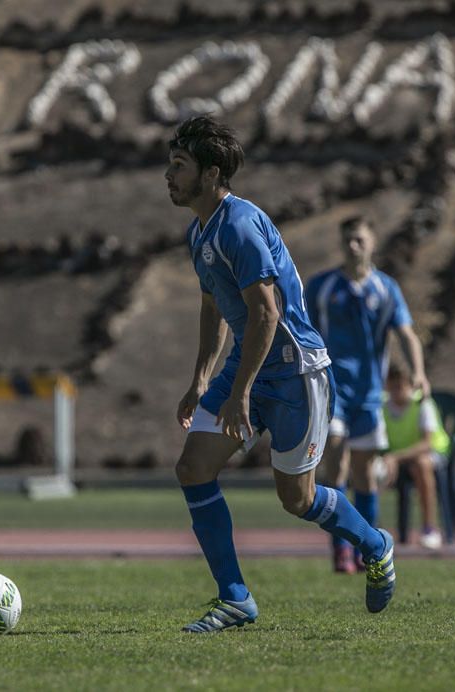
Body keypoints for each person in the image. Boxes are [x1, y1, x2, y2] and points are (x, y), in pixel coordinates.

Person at [167, 116, 396, 634]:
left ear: (212, 172)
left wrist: (241, 392)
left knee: (298, 499)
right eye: (170, 164)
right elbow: (214, 308)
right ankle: (235, 598)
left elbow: (267, 315)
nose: (169, 175)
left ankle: (376, 544)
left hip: (295, 374)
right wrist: (202, 379)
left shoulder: (240, 225)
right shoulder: (199, 231)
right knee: (192, 468)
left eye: (180, 166)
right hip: (247, 368)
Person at [305, 217, 429, 573]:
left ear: (373, 243)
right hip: (331, 391)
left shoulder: (385, 289)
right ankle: (340, 549)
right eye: (347, 240)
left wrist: (418, 371)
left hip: (370, 395)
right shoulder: (323, 286)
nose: (353, 246)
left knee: (364, 475)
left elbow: (406, 333)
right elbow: (301, 330)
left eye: (359, 239)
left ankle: (365, 548)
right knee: (337, 465)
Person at [382, 363, 449, 550]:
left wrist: (395, 457)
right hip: (396, 457)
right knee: (370, 469)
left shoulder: (422, 404)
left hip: (431, 454)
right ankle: (370, 529)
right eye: (392, 386)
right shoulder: (382, 406)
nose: (396, 391)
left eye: (400, 386)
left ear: (410, 386)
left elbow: (427, 443)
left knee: (421, 465)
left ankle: (429, 529)